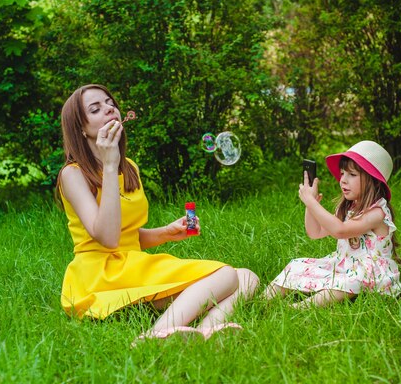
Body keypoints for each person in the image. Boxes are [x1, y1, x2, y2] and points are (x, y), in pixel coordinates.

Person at [56, 84, 259, 343]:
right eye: (96, 109)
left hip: (131, 265)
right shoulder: (72, 174)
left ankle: (205, 334)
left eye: (110, 103)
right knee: (227, 275)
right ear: (81, 129)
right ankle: (153, 336)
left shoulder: (128, 167)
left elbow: (125, 234)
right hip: (102, 275)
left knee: (247, 277)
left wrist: (165, 233)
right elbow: (107, 238)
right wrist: (108, 164)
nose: (109, 109)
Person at [266, 140, 401, 308]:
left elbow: (340, 231)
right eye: (342, 173)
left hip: (369, 273)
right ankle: (261, 301)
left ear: (373, 181)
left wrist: (313, 203)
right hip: (344, 265)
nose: (343, 180)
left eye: (352, 175)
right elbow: (314, 232)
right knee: (297, 265)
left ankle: (299, 308)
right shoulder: (348, 207)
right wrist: (311, 205)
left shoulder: (377, 213)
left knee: (348, 283)